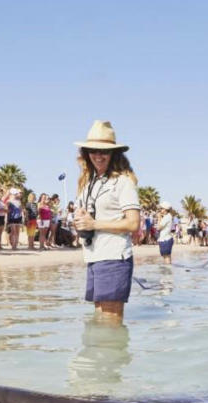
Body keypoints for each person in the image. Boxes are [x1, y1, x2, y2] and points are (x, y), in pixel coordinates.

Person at [72, 120, 140, 324]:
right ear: (86, 153)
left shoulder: (123, 182)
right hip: (94, 257)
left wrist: (94, 224)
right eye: (93, 150)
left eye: (104, 152)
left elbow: (133, 224)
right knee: (100, 320)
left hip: (114, 257)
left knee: (110, 323)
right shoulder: (89, 183)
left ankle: (114, 357)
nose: (98, 156)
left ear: (114, 154)